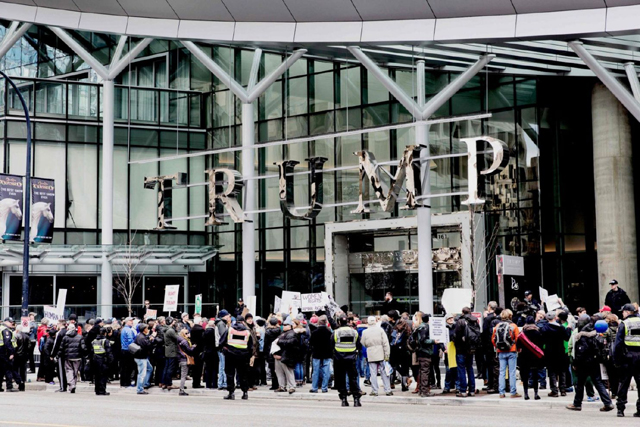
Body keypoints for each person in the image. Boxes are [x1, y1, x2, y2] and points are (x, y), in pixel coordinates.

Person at [566, 316, 614, 412]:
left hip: (584, 363)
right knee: (598, 382)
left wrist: (575, 363)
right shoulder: (596, 333)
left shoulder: (583, 334)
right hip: (595, 361)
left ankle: (577, 404)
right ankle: (607, 402)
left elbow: (581, 351)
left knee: (580, 384)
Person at [613, 303, 640, 417]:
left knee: (624, 383)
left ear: (628, 312)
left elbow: (618, 344)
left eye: (623, 311)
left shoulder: (624, 323)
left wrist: (616, 360)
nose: (622, 313)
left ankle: (620, 409)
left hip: (627, 357)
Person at [333, 315, 362, 407]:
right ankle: (356, 399)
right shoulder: (354, 332)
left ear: (339, 322)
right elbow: (358, 345)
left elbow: (331, 344)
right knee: (353, 379)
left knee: (341, 379)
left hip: (339, 358)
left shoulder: (336, 332)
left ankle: (344, 399)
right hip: (351, 358)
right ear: (348, 322)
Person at [222, 315, 253, 400]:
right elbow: (251, 346)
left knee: (230, 374)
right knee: (243, 374)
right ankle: (245, 392)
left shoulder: (230, 330)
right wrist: (249, 355)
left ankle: (231, 393)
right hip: (243, 356)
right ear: (243, 322)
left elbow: (222, 341)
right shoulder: (247, 332)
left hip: (230, 355)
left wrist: (224, 350)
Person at [541, 310, 572, 397]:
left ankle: (554, 390)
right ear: (555, 318)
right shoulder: (561, 328)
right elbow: (566, 337)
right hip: (560, 351)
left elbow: (542, 339)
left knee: (552, 372)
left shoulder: (544, 328)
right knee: (562, 371)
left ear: (547, 318)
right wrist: (568, 328)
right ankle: (562, 389)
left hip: (549, 352)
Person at [492, 309, 520, 398]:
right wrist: (518, 348)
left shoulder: (497, 326)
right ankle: (513, 392)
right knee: (512, 372)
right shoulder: (513, 326)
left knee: (502, 372)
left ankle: (501, 392)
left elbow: (493, 339)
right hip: (511, 350)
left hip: (500, 352)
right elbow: (518, 339)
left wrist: (497, 347)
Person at [362, 315, 392, 396]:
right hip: (381, 353)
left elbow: (363, 342)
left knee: (373, 373)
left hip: (371, 354)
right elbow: (386, 343)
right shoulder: (380, 330)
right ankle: (388, 390)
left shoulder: (365, 332)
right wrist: (387, 354)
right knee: (384, 373)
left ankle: (375, 390)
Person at [454, 307, 480, 397]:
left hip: (461, 348)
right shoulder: (475, 321)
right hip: (471, 348)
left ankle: (463, 390)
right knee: (470, 368)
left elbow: (456, 335)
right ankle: (472, 390)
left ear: (462, 312)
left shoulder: (460, 321)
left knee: (461, 369)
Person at [273, 318, 303, 394]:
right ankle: (282, 386)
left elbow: (290, 343)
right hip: (281, 355)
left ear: (290, 326)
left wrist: (279, 341)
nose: (283, 326)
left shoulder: (292, 333)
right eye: (283, 324)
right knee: (279, 372)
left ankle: (292, 386)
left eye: (285, 325)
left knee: (288, 372)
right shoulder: (284, 332)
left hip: (287, 355)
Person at [516, 316, 544, 400]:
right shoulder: (538, 333)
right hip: (535, 357)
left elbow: (518, 347)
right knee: (535, 375)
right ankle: (536, 394)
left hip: (524, 357)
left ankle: (526, 394)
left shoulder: (522, 334)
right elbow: (541, 345)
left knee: (525, 376)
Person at [410, 311, 436, 398]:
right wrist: (433, 341)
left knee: (421, 371)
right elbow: (423, 341)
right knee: (425, 372)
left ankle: (421, 390)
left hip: (420, 352)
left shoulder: (419, 327)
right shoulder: (425, 327)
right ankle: (425, 391)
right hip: (425, 352)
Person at [309, 315, 333, 393]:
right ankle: (324, 387)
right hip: (327, 353)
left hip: (316, 353)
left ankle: (314, 387)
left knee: (316, 371)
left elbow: (311, 343)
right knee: (326, 371)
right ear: (326, 323)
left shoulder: (314, 332)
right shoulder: (329, 332)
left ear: (318, 323)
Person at [61, 322, 87, 393]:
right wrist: (84, 354)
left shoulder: (65, 337)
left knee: (69, 371)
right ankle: (73, 385)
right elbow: (83, 347)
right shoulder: (80, 337)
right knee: (75, 372)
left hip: (68, 357)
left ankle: (71, 385)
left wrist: (59, 355)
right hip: (77, 357)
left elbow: (61, 348)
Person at [390, 317, 412, 392]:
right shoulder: (407, 332)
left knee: (395, 366)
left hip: (393, 351)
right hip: (403, 351)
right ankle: (404, 385)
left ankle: (391, 382)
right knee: (405, 368)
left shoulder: (394, 331)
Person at [133, 323, 156, 395]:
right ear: (144, 330)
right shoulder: (141, 338)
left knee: (150, 369)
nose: (148, 330)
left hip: (142, 357)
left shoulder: (140, 336)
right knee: (141, 374)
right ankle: (140, 389)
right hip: (141, 358)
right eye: (147, 328)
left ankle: (145, 383)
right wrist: (152, 339)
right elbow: (148, 346)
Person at [91, 327, 113, 396]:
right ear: (105, 333)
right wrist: (111, 360)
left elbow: (92, 351)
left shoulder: (94, 341)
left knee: (97, 376)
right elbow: (108, 352)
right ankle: (102, 390)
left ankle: (97, 390)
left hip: (95, 360)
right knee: (103, 376)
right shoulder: (105, 341)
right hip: (103, 360)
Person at [482, 302, 498, 393]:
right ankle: (493, 383)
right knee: (494, 364)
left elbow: (484, 332)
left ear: (489, 307)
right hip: (494, 343)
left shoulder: (487, 319)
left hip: (488, 344)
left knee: (489, 365)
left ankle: (490, 384)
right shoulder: (496, 317)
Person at [264, 316, 282, 390]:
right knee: (278, 369)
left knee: (272, 369)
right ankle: (279, 383)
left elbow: (266, 343)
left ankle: (274, 384)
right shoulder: (279, 331)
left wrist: (265, 353)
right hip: (278, 350)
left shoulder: (267, 332)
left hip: (270, 350)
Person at [442, 314, 459, 394]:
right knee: (448, 370)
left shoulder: (457, 327)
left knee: (456, 369)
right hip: (447, 351)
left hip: (455, 350)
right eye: (449, 318)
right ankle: (447, 386)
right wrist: (443, 349)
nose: (451, 319)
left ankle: (458, 386)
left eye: (451, 318)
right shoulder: (444, 328)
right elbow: (440, 340)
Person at [177, 328, 196, 396]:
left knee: (183, 375)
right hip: (184, 359)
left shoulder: (180, 341)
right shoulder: (185, 342)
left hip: (181, 359)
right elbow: (189, 350)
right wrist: (193, 347)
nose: (188, 334)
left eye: (188, 332)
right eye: (186, 333)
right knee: (183, 376)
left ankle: (181, 389)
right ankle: (181, 390)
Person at [162, 317, 179, 391]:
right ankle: (169, 383)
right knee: (170, 368)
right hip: (172, 351)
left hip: (167, 350)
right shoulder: (171, 330)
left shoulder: (166, 329)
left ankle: (164, 383)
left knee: (166, 367)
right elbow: (177, 338)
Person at [215, 310, 231, 390]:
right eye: (228, 315)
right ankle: (223, 383)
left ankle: (221, 383)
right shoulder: (221, 324)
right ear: (224, 316)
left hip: (220, 347)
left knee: (222, 365)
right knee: (223, 366)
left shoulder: (220, 323)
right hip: (222, 348)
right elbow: (224, 335)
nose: (229, 317)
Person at [51, 319, 68, 392]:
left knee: (61, 371)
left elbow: (56, 345)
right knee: (67, 370)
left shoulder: (59, 333)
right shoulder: (67, 332)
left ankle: (63, 387)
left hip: (61, 354)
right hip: (67, 353)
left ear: (60, 324)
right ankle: (67, 385)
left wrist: (52, 354)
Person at [120, 317, 136, 388]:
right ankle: (127, 382)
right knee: (128, 367)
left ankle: (123, 382)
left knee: (124, 367)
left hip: (124, 349)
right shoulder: (128, 330)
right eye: (130, 321)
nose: (132, 322)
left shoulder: (123, 329)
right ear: (127, 322)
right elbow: (130, 341)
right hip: (128, 350)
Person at [202, 320, 219, 389]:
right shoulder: (214, 332)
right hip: (214, 352)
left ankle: (208, 384)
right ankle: (214, 384)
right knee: (214, 369)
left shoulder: (204, 332)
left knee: (208, 369)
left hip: (207, 352)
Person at [190, 317, 204, 389]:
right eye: (201, 321)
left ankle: (194, 382)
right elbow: (203, 340)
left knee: (195, 367)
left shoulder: (192, 329)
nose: (202, 322)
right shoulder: (201, 330)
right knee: (199, 368)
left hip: (194, 350)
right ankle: (197, 383)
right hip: (199, 350)